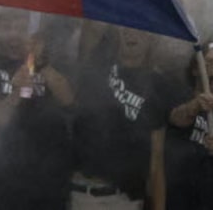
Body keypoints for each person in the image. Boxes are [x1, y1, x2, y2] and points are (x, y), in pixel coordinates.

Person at [0, 8, 74, 210]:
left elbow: (69, 100)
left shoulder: (51, 64)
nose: (14, 35)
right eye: (7, 28)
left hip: (49, 185)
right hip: (2, 184)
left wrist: (41, 63)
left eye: (21, 28)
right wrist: (16, 94)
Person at [69, 25, 170, 210]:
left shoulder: (158, 84)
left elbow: (156, 159)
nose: (131, 34)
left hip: (125, 199)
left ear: (151, 39)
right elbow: (91, 28)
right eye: (125, 29)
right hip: (84, 194)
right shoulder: (96, 67)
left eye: (140, 29)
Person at [163, 43, 213, 210]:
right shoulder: (177, 95)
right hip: (178, 200)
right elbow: (177, 118)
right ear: (195, 69)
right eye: (209, 62)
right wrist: (196, 105)